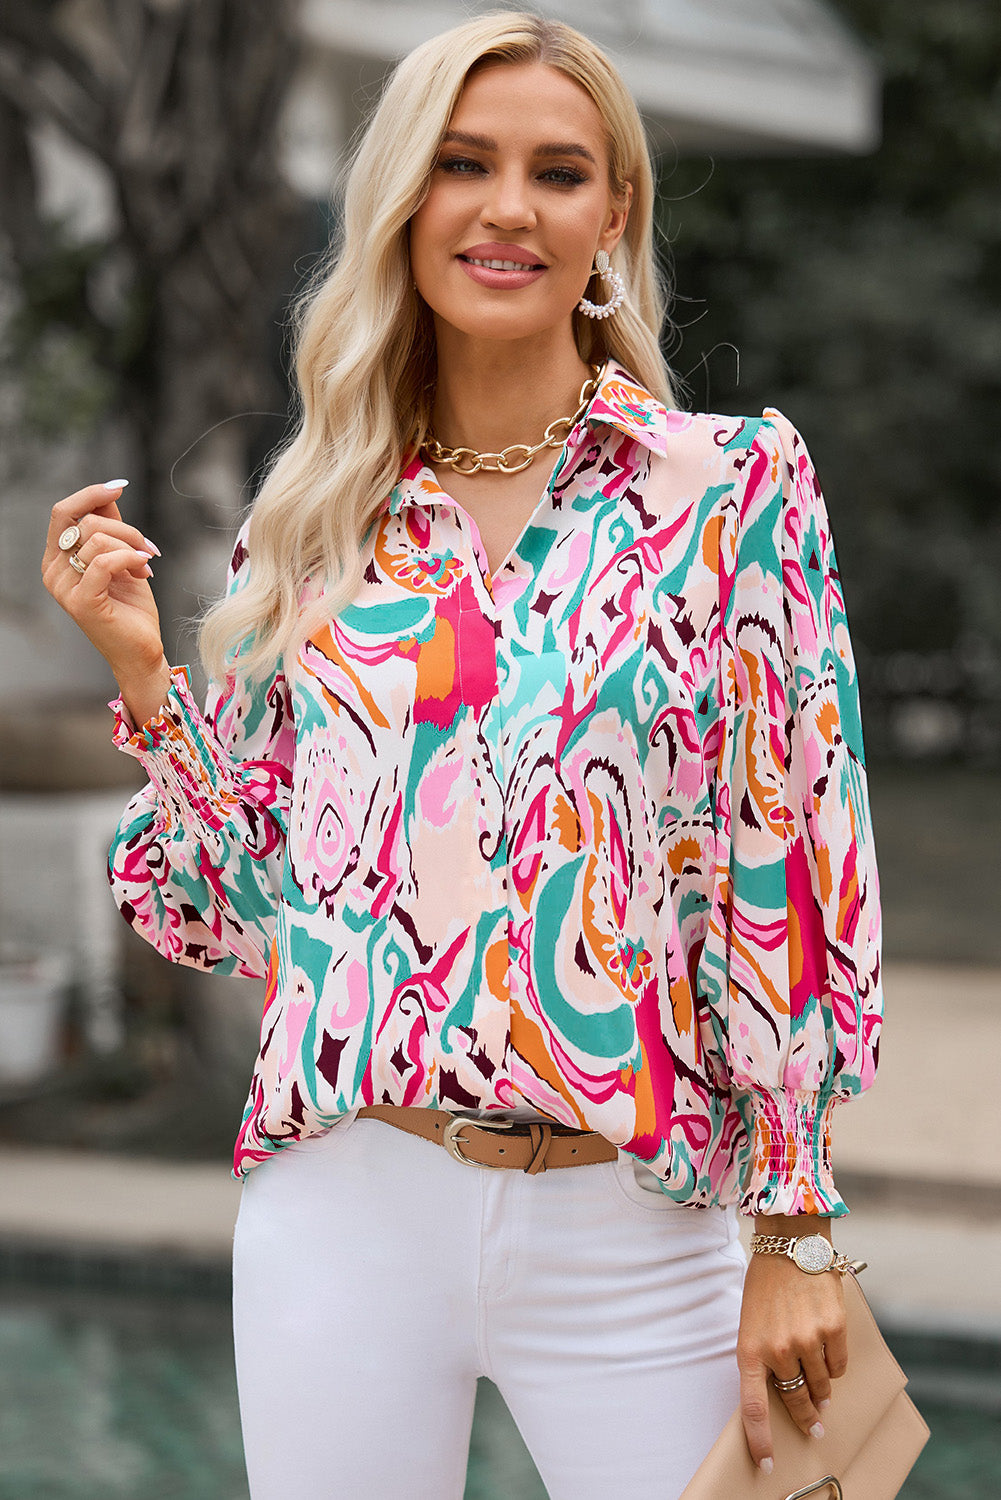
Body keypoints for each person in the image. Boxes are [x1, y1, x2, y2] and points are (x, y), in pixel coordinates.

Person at [40, 12, 882, 1499]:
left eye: (557, 172)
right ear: (400, 202)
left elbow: (795, 861)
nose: (507, 209)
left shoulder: (732, 490)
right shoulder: (311, 525)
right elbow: (236, 911)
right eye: (461, 164)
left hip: (641, 1221)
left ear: (612, 214)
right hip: (344, 1211)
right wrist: (146, 679)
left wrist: (797, 1225)